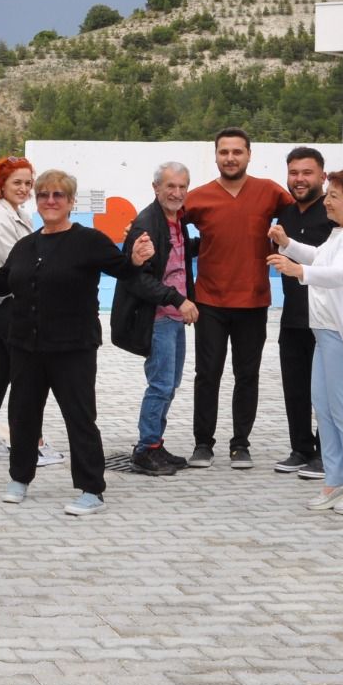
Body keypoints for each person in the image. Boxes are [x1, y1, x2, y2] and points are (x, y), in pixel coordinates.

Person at [0, 170, 155, 515]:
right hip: (26, 346)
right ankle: (19, 477)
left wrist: (137, 259)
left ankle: (92, 489)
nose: (50, 201)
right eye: (44, 195)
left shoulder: (89, 240)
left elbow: (123, 269)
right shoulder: (26, 245)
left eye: (58, 195)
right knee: (23, 415)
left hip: (73, 347)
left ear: (71, 201)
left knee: (80, 418)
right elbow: (3, 284)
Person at [267, 167, 343, 515]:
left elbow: (340, 273)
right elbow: (321, 257)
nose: (327, 202)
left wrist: (298, 271)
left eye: (334, 196)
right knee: (325, 408)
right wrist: (288, 245)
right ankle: (335, 480)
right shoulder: (341, 231)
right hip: (326, 333)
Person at [181, 127, 292, 470]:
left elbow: (303, 215)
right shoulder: (198, 197)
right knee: (207, 374)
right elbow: (165, 221)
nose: (230, 158)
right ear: (215, 156)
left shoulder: (270, 192)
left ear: (249, 155)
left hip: (254, 300)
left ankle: (240, 444)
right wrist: (137, 231)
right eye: (224, 152)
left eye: (237, 152)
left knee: (247, 375)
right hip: (209, 300)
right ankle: (203, 444)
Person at [0, 157, 62, 467]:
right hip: (6, 304)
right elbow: (22, 263)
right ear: (1, 185)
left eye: (27, 183)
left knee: (5, 372)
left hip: (6, 302)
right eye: (17, 183)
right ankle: (31, 444)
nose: (23, 188)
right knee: (26, 375)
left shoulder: (18, 213)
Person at [109, 162, 200, 476]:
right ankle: (145, 449)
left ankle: (155, 443)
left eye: (182, 187)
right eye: (170, 186)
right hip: (158, 317)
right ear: (156, 188)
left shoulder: (176, 220)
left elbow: (176, 257)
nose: (177, 192)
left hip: (173, 318)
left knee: (170, 384)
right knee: (160, 385)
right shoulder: (146, 224)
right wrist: (178, 300)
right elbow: (138, 279)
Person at [273, 147, 335, 477]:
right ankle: (301, 449)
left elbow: (332, 262)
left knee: (325, 390)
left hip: (327, 317)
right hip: (293, 316)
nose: (299, 179)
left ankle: (327, 453)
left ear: (322, 176)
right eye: (294, 172)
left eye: (307, 173)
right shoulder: (285, 213)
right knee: (295, 388)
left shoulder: (333, 212)